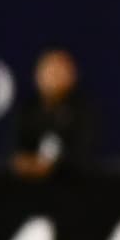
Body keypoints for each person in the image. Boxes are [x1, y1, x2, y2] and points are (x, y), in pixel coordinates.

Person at [9, 47, 98, 181]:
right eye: (49, 71)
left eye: (60, 71)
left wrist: (53, 167)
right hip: (27, 193)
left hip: (74, 191)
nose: (54, 77)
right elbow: (12, 152)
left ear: (72, 75)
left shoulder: (84, 111)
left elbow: (83, 156)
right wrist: (26, 164)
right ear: (37, 75)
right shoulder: (27, 109)